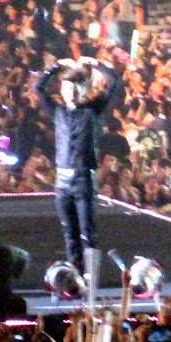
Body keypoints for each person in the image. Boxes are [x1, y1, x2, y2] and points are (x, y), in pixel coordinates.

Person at [36, 56, 118, 269]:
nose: (71, 92)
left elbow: (113, 81)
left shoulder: (92, 109)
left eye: (75, 88)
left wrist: (95, 64)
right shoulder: (57, 112)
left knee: (88, 233)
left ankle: (91, 278)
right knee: (69, 234)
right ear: (62, 90)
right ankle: (76, 276)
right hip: (62, 181)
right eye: (67, 88)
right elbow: (39, 88)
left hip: (83, 180)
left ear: (83, 89)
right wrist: (55, 67)